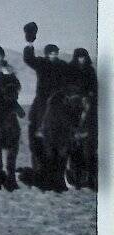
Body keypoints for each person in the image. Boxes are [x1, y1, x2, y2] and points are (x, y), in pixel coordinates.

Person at [22, 22, 68, 169]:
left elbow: (70, 77)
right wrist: (29, 44)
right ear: (47, 54)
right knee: (37, 114)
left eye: (55, 53)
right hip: (43, 96)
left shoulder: (62, 65)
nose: (53, 55)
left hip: (60, 96)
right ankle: (39, 129)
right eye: (51, 53)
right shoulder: (41, 63)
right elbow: (29, 59)